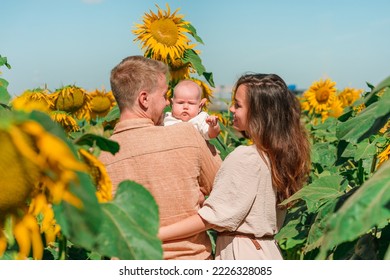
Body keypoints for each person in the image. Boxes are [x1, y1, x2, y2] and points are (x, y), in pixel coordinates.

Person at [158, 73, 311, 260]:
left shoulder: (246, 157)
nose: (230, 109)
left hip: (242, 252)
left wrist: (156, 234)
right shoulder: (276, 155)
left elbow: (211, 217)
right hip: (266, 251)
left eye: (238, 105)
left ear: (258, 112)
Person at [98, 55, 222, 260]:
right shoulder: (186, 134)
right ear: (144, 99)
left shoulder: (100, 158)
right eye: (165, 95)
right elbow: (225, 189)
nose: (167, 102)